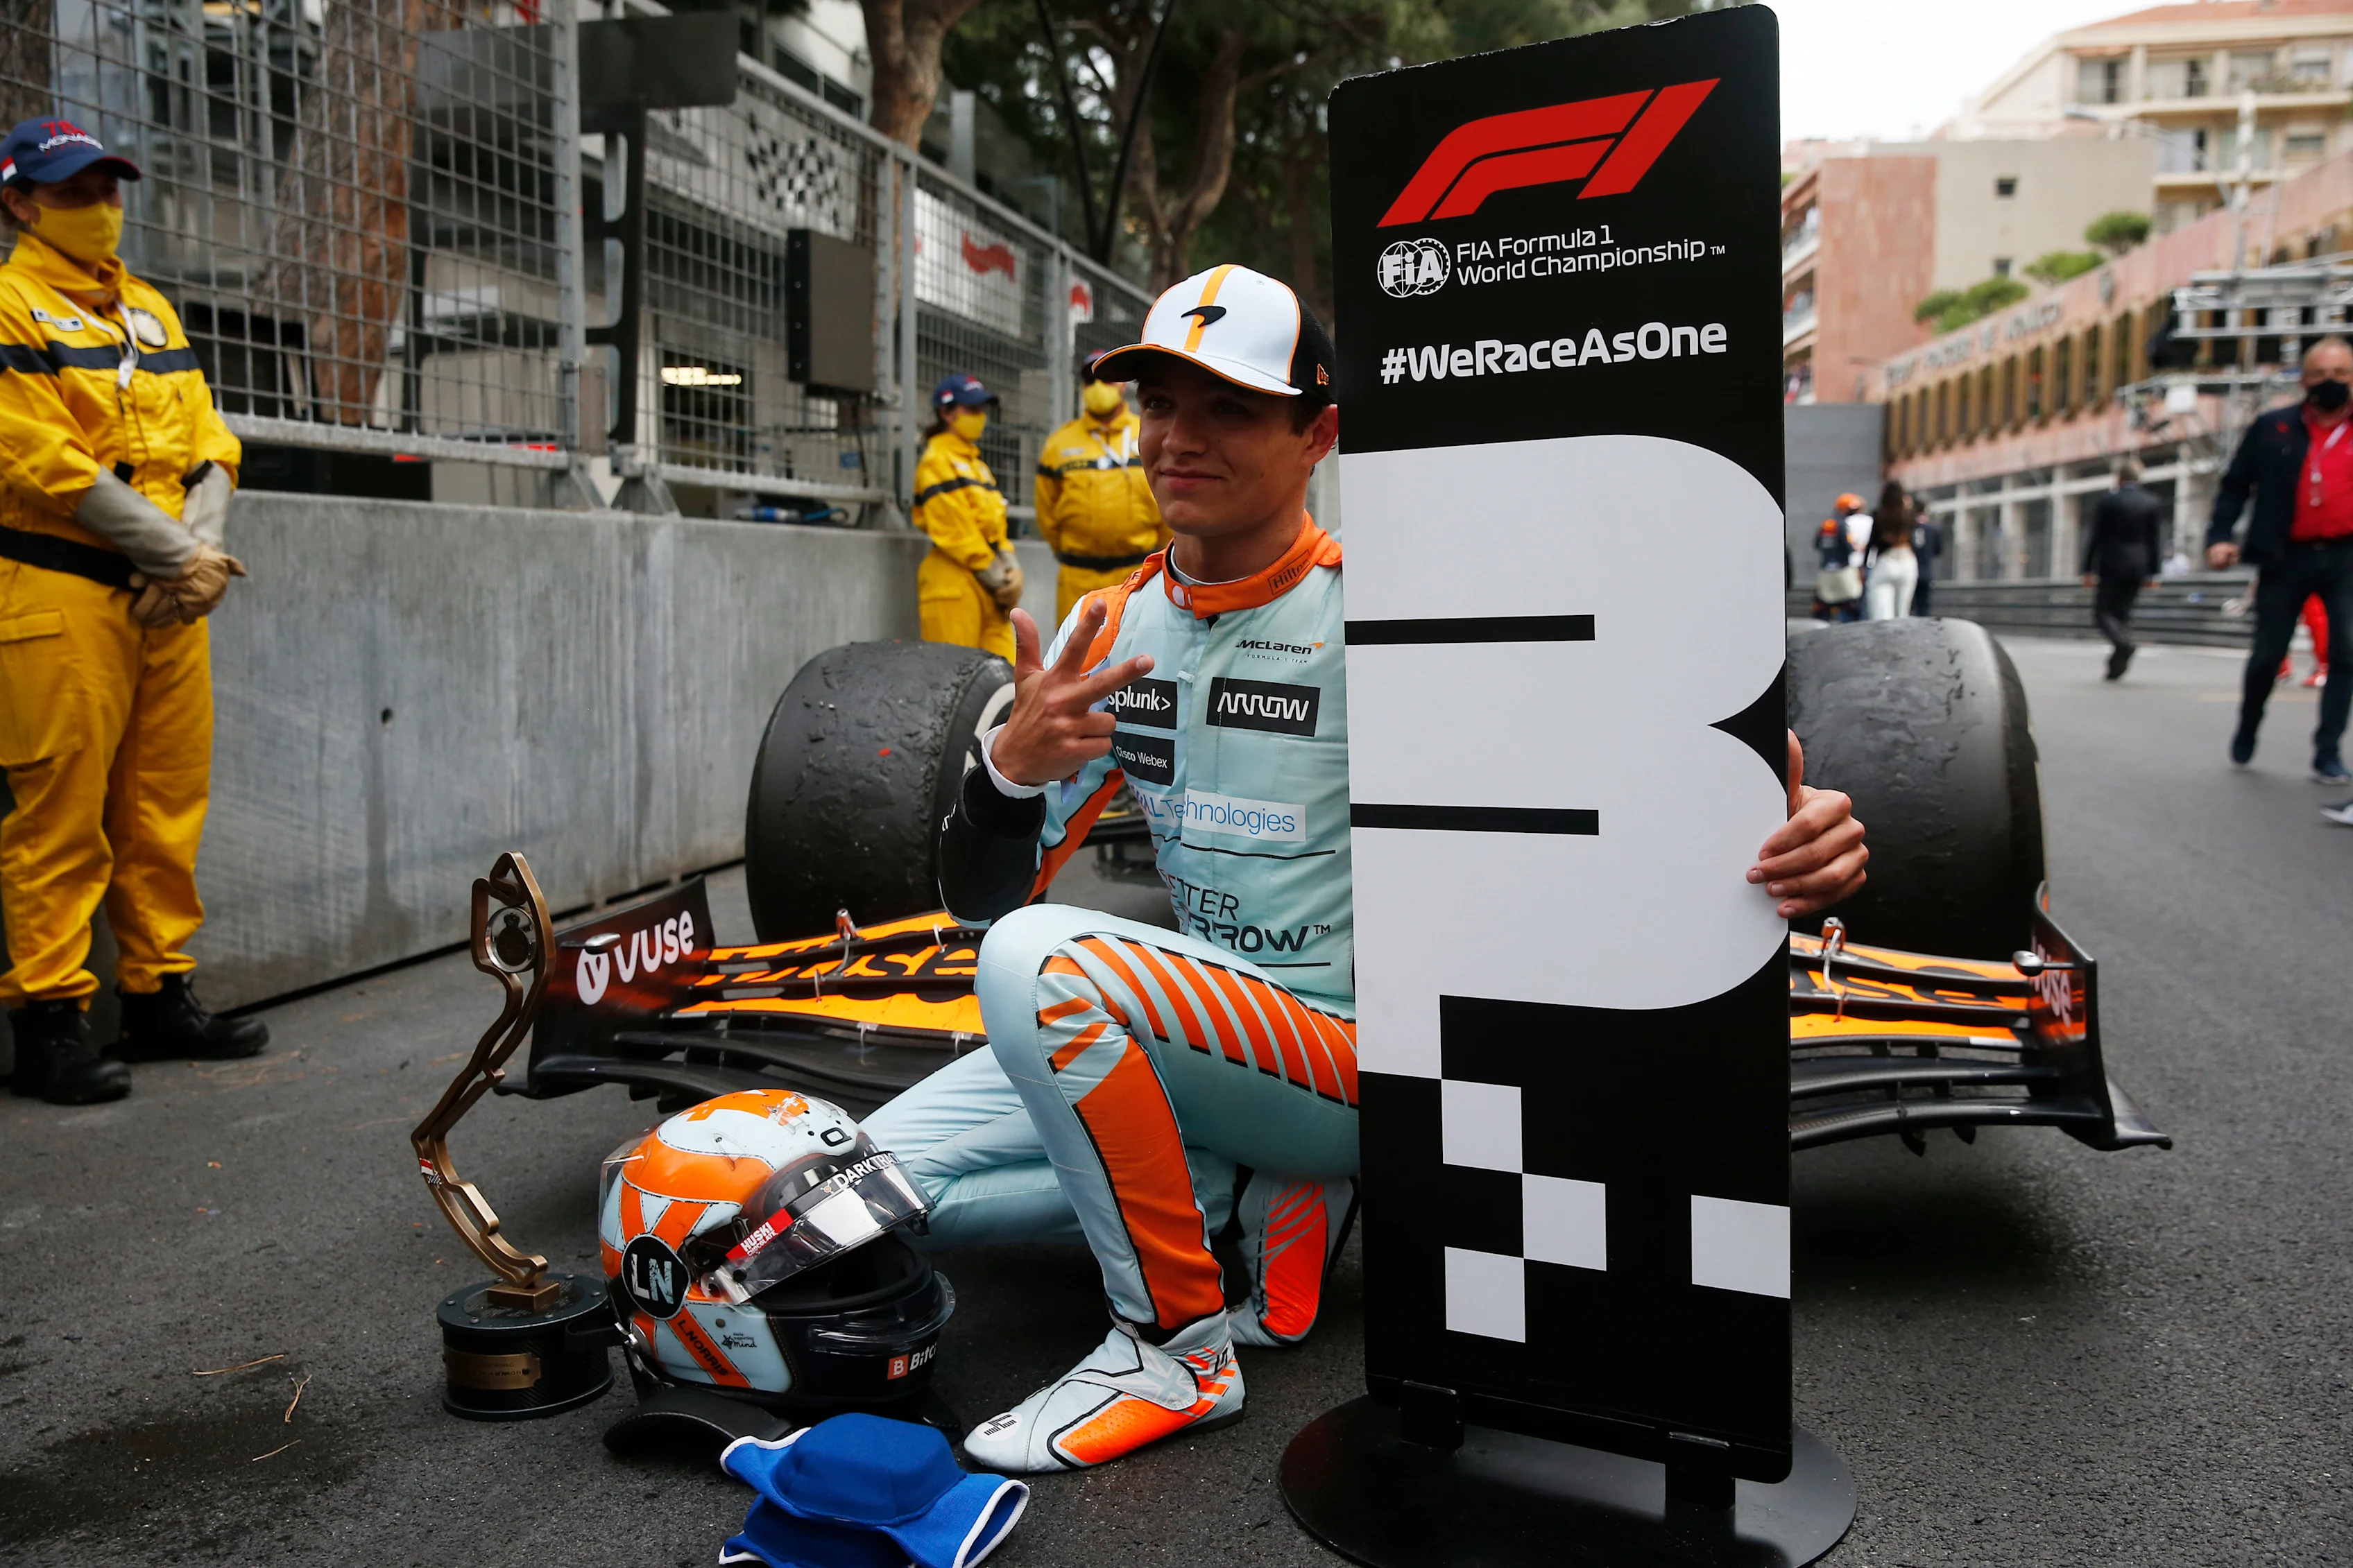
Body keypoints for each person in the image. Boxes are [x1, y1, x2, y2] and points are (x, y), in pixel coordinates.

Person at [862, 264, 1870, 1474]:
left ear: (1319, 433)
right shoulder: (1114, 630)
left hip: (1367, 1061)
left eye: (1227, 407)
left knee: (1043, 969)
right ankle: (1238, 1188)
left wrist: (1800, 820)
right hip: (1192, 1028)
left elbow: (1665, 764)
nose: (1178, 438)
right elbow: (975, 896)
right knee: (866, 1186)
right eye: (1158, 404)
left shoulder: (1390, 614)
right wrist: (1010, 775)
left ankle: (1174, 1345)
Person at [0, 118, 267, 1105]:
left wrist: (194, 554)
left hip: (168, 596)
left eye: (110, 190)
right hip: (58, 589)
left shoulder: (150, 311)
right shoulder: (9, 306)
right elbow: (37, 458)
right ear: (20, 203)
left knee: (165, 803)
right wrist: (180, 556)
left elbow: (211, 437)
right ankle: (50, 1021)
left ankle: (160, 995)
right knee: (60, 812)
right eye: (75, 193)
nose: (102, 210)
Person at [2207, 336, 2353, 783]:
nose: (2330, 382)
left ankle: (2327, 751)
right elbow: (2235, 485)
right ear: (2304, 379)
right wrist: (2220, 537)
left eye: (2341, 374)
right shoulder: (2273, 427)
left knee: (2347, 651)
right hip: (2284, 555)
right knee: (2268, 654)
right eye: (2320, 374)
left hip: (2347, 556)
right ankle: (2249, 724)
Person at [1034, 352, 1167, 628]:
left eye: (1106, 380)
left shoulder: (1148, 431)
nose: (1098, 387)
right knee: (1076, 659)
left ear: (1122, 386)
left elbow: (1167, 493)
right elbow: (1046, 510)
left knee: (1136, 657)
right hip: (1077, 576)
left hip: (1138, 573)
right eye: (1090, 380)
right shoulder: (1060, 444)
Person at [914, 374, 1022, 662]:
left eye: (981, 411)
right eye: (971, 410)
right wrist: (1001, 580)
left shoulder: (977, 466)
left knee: (1004, 678)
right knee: (953, 679)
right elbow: (954, 530)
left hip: (988, 585)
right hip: (954, 582)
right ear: (946, 413)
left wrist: (1013, 570)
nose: (980, 417)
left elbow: (995, 529)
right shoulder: (937, 460)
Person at [2082, 458, 2164, 681]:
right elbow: (2155, 540)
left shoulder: (2108, 502)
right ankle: (2116, 664)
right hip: (2139, 564)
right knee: (2123, 613)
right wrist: (2154, 572)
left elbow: (2096, 538)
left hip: (2112, 563)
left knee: (2102, 613)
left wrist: (2088, 569)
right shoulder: (2151, 502)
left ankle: (2123, 644)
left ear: (2119, 478)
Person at [1863, 480, 1918, 620]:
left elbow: (1873, 542)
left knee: (1880, 614)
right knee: (1902, 612)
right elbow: (1914, 538)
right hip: (1907, 560)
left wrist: (1863, 566)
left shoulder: (1879, 513)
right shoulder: (1909, 514)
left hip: (1886, 561)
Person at [1811, 492, 1867, 621]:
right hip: (1843, 569)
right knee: (1850, 604)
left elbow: (1817, 544)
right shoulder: (1843, 524)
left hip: (1826, 569)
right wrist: (1858, 547)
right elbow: (1848, 547)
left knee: (1825, 605)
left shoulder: (1826, 524)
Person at [1910, 494, 1942, 617]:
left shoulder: (1908, 528)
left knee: (1908, 607)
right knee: (1924, 607)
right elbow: (1938, 551)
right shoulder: (1934, 530)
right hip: (1926, 572)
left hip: (1909, 571)